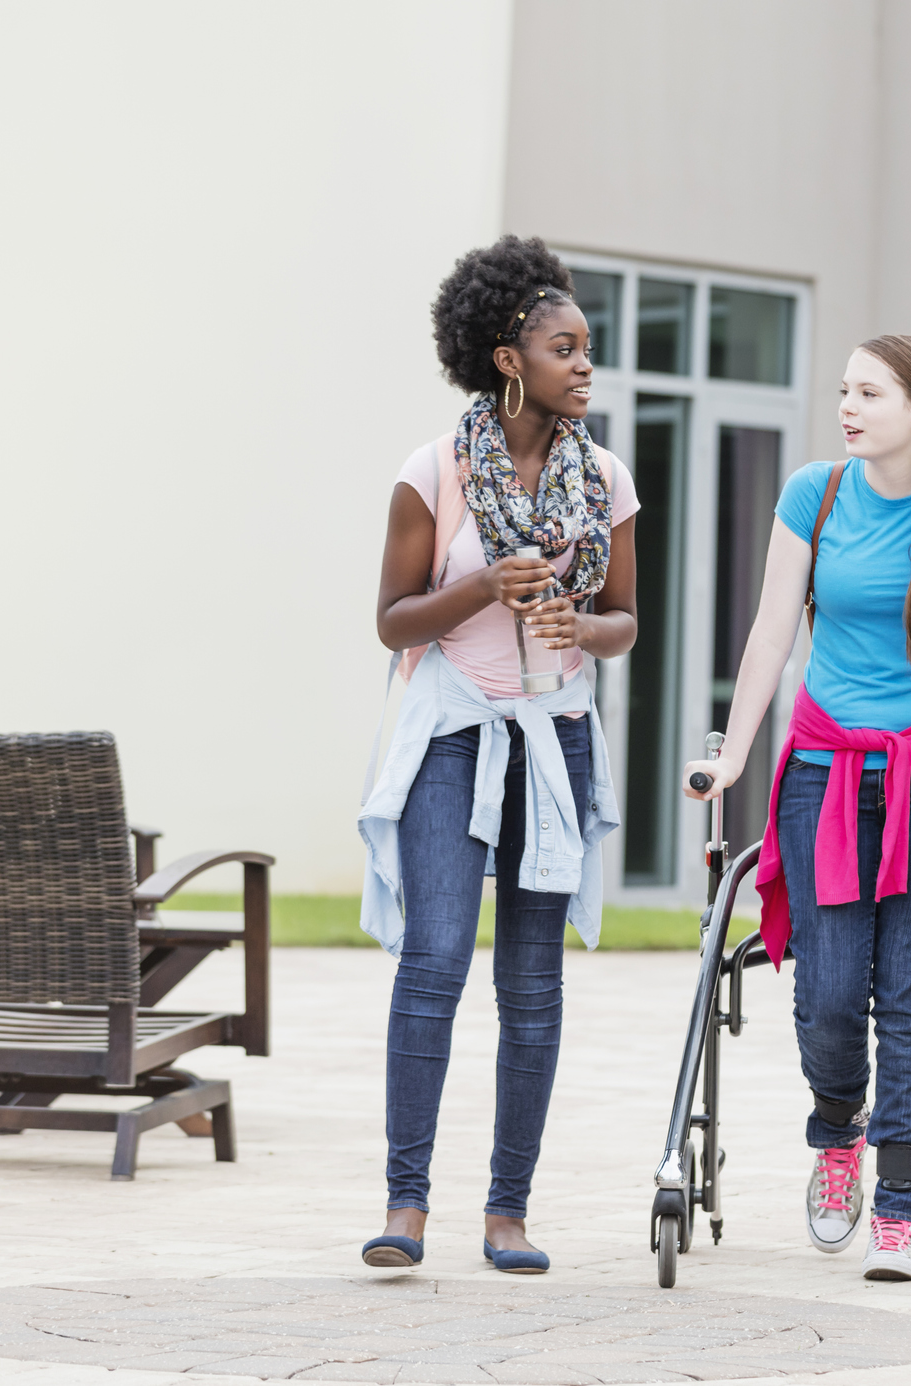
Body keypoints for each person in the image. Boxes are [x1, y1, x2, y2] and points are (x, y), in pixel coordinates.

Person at [682, 334, 911, 1282]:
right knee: (826, 992)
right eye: (844, 390)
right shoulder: (816, 493)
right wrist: (731, 756)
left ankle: (901, 1204)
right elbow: (771, 634)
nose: (848, 407)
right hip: (824, 766)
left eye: (870, 393)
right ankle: (837, 1132)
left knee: (909, 995)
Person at [357, 235, 639, 1275]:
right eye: (564, 347)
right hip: (450, 737)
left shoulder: (602, 478)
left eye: (587, 348)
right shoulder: (430, 474)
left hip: (553, 739)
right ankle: (406, 1207)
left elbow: (625, 624)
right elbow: (392, 623)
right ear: (506, 356)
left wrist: (581, 629)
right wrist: (483, 585)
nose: (585, 365)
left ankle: (507, 1212)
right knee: (433, 965)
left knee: (531, 984)